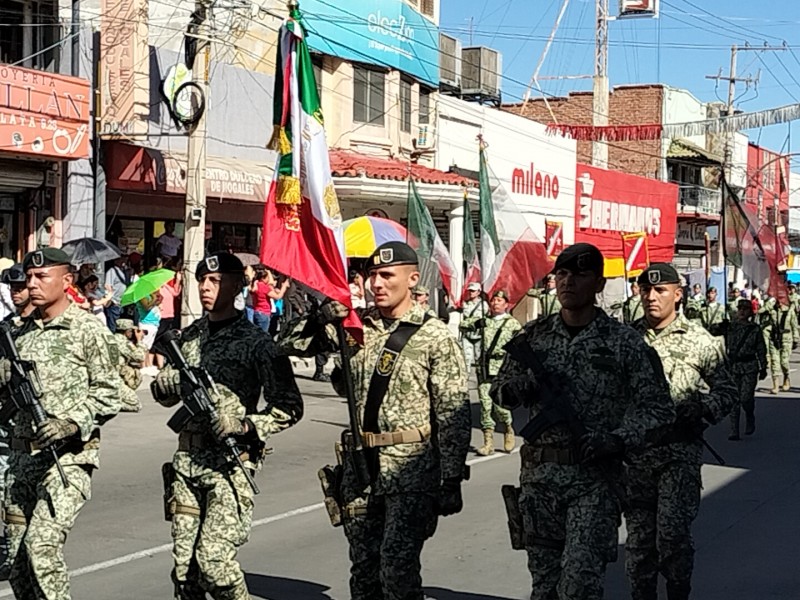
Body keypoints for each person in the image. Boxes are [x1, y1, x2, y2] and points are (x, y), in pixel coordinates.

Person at [281, 241, 470, 600]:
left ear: (413, 279)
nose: (377, 284)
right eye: (372, 276)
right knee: (364, 573)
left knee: (397, 573)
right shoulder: (355, 327)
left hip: (409, 472)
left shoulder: (435, 336)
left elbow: (453, 412)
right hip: (360, 469)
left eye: (387, 275)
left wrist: (451, 476)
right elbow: (287, 344)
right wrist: (322, 316)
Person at [490, 243, 674, 600]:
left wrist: (618, 439)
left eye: (580, 274)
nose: (568, 281)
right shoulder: (534, 337)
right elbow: (499, 390)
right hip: (539, 482)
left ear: (599, 284)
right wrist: (522, 388)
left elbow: (658, 409)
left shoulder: (624, 343)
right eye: (562, 274)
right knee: (544, 588)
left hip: (594, 481)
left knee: (578, 585)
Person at [152, 252, 303, 600]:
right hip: (187, 464)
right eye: (202, 280)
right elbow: (162, 394)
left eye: (216, 281)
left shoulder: (258, 343)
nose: (206, 287)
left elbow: (289, 407)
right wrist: (171, 382)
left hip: (229, 467)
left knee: (215, 565)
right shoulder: (188, 337)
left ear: (238, 285)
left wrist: (246, 425)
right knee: (185, 573)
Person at [0, 248, 122, 599]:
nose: (32, 284)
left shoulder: (87, 329)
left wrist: (71, 422)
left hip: (66, 460)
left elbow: (111, 394)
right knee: (20, 566)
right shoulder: (18, 333)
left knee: (42, 547)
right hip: (22, 460)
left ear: (66, 281)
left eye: (42, 277)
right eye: (29, 277)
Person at [626, 263, 737, 600]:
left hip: (678, 456)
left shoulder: (701, 340)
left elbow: (728, 390)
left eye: (660, 290)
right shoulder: (625, 339)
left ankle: (678, 592)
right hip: (635, 459)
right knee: (639, 545)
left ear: (678, 294)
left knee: (672, 536)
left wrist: (702, 407)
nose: (651, 297)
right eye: (646, 290)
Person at [463, 289, 520, 456]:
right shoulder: (485, 321)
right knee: (485, 406)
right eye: (493, 301)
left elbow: (521, 345)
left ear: (506, 305)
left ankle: (508, 427)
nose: (495, 303)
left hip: (502, 369)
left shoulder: (512, 324)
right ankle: (488, 443)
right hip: (485, 369)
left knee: (500, 407)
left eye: (499, 301)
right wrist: (476, 323)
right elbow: (464, 324)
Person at [725, 299, 768, 440]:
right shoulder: (731, 327)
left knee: (745, 398)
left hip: (749, 366)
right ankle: (733, 430)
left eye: (745, 309)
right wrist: (721, 325)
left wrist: (763, 367)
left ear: (750, 312)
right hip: (734, 366)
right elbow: (712, 331)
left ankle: (750, 415)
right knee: (734, 399)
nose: (742, 311)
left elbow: (761, 349)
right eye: (740, 309)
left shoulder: (754, 329)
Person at [762, 297, 799, 393]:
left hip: (786, 339)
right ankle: (775, 385)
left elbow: (794, 325)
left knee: (784, 362)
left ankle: (786, 377)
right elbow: (760, 311)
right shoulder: (772, 309)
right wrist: (768, 303)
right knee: (775, 362)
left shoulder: (789, 311)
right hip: (774, 338)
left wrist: (796, 338)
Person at [112, 319, 146, 414]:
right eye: (131, 331)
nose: (132, 333)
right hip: (113, 379)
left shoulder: (111, 338)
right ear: (126, 331)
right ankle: (107, 405)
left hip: (113, 375)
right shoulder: (123, 342)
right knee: (135, 404)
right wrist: (139, 341)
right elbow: (140, 357)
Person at [249, 264, 289, 333]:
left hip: (257, 311)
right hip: (264, 313)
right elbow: (278, 297)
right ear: (263, 278)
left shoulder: (256, 284)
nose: (269, 280)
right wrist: (284, 287)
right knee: (263, 334)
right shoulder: (263, 287)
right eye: (267, 277)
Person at [459, 282, 488, 375]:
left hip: (478, 335)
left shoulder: (483, 305)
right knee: (466, 357)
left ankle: (479, 377)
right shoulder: (465, 304)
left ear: (478, 292)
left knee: (478, 357)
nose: (471, 292)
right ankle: (466, 378)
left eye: (473, 291)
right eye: (470, 291)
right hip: (467, 334)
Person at [136, 291, 162, 376]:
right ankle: (143, 366)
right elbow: (146, 307)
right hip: (146, 324)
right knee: (144, 346)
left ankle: (148, 365)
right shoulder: (141, 295)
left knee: (148, 347)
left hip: (153, 323)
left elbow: (155, 304)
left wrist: (158, 298)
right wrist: (154, 299)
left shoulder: (150, 294)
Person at [104, 253, 130, 332]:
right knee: (112, 327)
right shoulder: (112, 271)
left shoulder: (122, 271)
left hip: (120, 303)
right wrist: (110, 300)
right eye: (122, 258)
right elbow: (108, 286)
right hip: (114, 303)